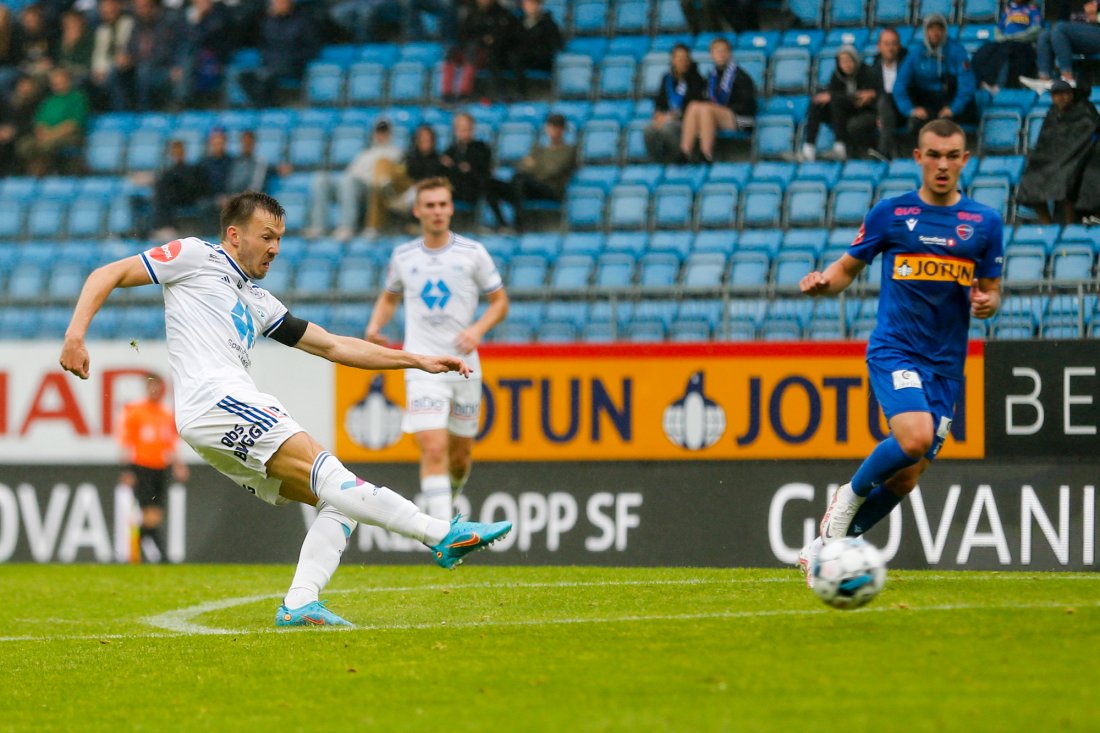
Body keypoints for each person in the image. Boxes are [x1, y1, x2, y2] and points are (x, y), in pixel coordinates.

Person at [60, 191, 512, 627]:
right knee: (334, 477)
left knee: (339, 502)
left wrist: (416, 360)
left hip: (210, 417)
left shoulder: (258, 300)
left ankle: (300, 603)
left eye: (280, 238)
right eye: (267, 236)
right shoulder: (196, 254)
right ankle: (439, 534)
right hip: (219, 400)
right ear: (235, 235)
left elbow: (335, 346)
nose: (275, 248)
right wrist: (76, 335)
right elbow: (108, 273)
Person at [795, 119, 1003, 586]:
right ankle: (844, 502)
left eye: (953, 156)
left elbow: (991, 293)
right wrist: (824, 284)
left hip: (946, 366)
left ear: (964, 160)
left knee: (907, 477)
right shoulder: (892, 213)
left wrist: (988, 303)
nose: (943, 164)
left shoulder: (985, 224)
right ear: (918, 158)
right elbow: (846, 269)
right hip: (896, 349)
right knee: (913, 438)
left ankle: (823, 549)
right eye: (934, 155)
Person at [364, 177, 509, 522]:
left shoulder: (473, 253)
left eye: (443, 204)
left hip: (465, 367)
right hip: (423, 366)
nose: (437, 211)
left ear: (451, 208)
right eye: (430, 205)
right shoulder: (404, 256)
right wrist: (374, 326)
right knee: (432, 446)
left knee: (459, 458)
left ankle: (449, 504)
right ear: (417, 211)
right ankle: (444, 534)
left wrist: (477, 329)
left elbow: (500, 302)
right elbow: (389, 295)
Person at [117, 372, 190, 563]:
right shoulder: (136, 412)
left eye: (157, 385)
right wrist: (127, 470)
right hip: (141, 467)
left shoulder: (166, 414)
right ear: (146, 388)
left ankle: (135, 553)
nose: (154, 389)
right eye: (151, 385)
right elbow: (127, 443)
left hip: (161, 467)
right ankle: (162, 557)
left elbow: (171, 444)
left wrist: (178, 465)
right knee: (149, 513)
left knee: (155, 515)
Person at [1016, 79, 1100, 224]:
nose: (1061, 97)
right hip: (1055, 160)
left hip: (1083, 160)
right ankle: (1048, 226)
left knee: (1066, 177)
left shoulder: (1085, 110)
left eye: (1064, 93)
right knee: (1030, 180)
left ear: (1071, 94)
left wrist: (1067, 157)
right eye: (1056, 94)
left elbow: (1087, 139)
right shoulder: (1052, 113)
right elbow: (1045, 142)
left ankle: (1069, 226)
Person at [307, 118, 403, 241]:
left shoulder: (396, 153)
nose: (381, 135)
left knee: (349, 182)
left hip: (371, 190)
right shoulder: (366, 153)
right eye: (378, 131)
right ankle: (318, 226)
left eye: (384, 131)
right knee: (321, 179)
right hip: (351, 186)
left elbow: (391, 178)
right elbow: (351, 172)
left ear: (390, 133)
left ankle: (347, 227)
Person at [893, 13, 978, 146]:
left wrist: (953, 108)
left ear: (944, 31)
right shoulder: (915, 54)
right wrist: (910, 109)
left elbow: (967, 85)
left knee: (946, 125)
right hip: (928, 102)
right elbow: (899, 85)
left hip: (952, 101)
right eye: (931, 29)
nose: (935, 33)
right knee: (915, 124)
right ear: (925, 31)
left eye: (939, 29)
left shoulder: (957, 51)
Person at [679, 36, 757, 164]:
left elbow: (748, 104)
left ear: (729, 53)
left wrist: (723, 109)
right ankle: (685, 152)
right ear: (712, 55)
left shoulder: (741, 76)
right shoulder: (711, 76)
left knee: (707, 109)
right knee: (693, 106)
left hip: (742, 119)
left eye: (723, 51)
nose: (720, 55)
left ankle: (706, 154)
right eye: (717, 51)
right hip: (717, 115)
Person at [498, 112, 576, 233]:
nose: (552, 130)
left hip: (552, 189)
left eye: (556, 127)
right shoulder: (538, 148)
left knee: (520, 180)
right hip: (533, 186)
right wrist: (536, 167)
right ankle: (503, 224)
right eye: (550, 126)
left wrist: (534, 165)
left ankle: (518, 225)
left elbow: (553, 171)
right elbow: (521, 166)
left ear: (562, 129)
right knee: (500, 182)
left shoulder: (568, 150)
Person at [798, 45, 877, 162]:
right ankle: (809, 148)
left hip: (862, 111)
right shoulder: (836, 75)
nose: (847, 65)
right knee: (817, 102)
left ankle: (840, 147)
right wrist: (834, 96)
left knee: (835, 100)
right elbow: (832, 93)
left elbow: (862, 96)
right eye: (843, 62)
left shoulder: (867, 72)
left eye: (849, 61)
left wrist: (835, 96)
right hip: (840, 114)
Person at [366, 123, 445, 236]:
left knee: (424, 187)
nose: (424, 142)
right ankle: (386, 188)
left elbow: (438, 181)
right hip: (404, 188)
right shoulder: (408, 157)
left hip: (421, 192)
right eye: (421, 139)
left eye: (427, 139)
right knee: (382, 164)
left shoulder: (439, 160)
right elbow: (401, 173)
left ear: (433, 141)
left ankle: (392, 197)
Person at [238, 0, 319, 107]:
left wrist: (293, 59)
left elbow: (311, 48)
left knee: (267, 76)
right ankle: (263, 106)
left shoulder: (303, 22)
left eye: (280, 3)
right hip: (270, 64)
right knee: (244, 76)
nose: (276, 6)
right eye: (274, 3)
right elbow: (262, 44)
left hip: (294, 65)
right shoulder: (268, 22)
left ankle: (266, 107)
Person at [17, 66, 89, 176]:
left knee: (47, 146)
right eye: (55, 83)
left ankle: (43, 174)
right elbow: (39, 121)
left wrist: (52, 134)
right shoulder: (49, 100)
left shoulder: (78, 98)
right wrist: (42, 133)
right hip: (46, 136)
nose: (57, 85)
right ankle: (36, 175)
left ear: (68, 81)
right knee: (24, 145)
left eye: (60, 82)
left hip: (69, 136)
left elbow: (73, 124)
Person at [441, 0, 515, 103]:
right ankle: (447, 92)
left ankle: (464, 92)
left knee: (473, 50)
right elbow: (463, 34)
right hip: (469, 49)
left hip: (489, 54)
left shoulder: (501, 13)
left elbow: (503, 36)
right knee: (451, 52)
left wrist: (489, 39)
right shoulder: (471, 11)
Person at [644, 42, 706, 164]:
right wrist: (659, 114)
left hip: (687, 121)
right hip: (669, 118)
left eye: (685, 58)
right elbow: (660, 101)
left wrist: (670, 117)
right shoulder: (666, 79)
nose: (682, 62)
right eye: (679, 58)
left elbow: (695, 105)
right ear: (673, 60)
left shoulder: (697, 79)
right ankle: (658, 162)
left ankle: (679, 160)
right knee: (649, 129)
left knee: (668, 128)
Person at [1020, 1, 1100, 91]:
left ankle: (1067, 78)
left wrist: (1097, 15)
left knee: (1060, 28)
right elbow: (1062, 22)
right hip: (1078, 37)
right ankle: (1045, 80)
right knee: (1045, 36)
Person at [970, 1, 1042, 94]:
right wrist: (1004, 38)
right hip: (1005, 42)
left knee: (1007, 52)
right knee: (985, 50)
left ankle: (999, 85)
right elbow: (998, 30)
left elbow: (1036, 30)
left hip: (1023, 44)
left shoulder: (1033, 10)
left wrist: (1015, 37)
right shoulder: (1008, 10)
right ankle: (980, 82)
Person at [440, 111, 493, 219]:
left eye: (468, 127)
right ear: (455, 130)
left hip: (473, 187)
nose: (465, 131)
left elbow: (483, 171)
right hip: (455, 188)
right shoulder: (452, 149)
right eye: (461, 128)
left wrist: (466, 168)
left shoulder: (481, 147)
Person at [507, 0, 563, 98]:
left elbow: (555, 45)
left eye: (532, 4)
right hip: (522, 59)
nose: (529, 7)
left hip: (542, 60)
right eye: (526, 4)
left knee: (517, 57)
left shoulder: (549, 24)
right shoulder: (518, 23)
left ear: (539, 6)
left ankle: (520, 93)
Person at [870, 27, 909, 160]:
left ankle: (883, 152)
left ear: (899, 46)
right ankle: (854, 161)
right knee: (855, 124)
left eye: (894, 44)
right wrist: (878, 115)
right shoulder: (873, 67)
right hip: (882, 112)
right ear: (879, 46)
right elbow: (872, 95)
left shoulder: (908, 64)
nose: (890, 48)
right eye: (887, 44)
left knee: (885, 98)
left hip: (905, 110)